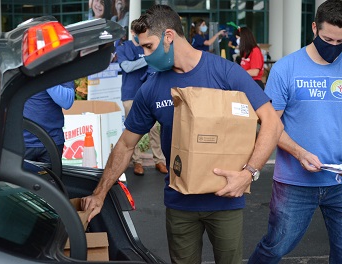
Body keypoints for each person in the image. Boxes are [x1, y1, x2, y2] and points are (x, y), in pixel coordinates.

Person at [82, 4, 283, 263]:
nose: (145, 55)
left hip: (226, 200)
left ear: (168, 36)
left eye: (148, 47)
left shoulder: (224, 73)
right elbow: (125, 146)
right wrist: (99, 194)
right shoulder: (151, 88)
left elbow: (272, 123)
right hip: (180, 204)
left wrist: (250, 173)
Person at [248, 1, 342, 263]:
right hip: (295, 183)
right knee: (275, 247)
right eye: (327, 39)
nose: (334, 46)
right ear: (314, 27)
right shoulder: (285, 69)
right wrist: (300, 153)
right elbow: (270, 125)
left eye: (340, 41)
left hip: (339, 181)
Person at [116, 19, 167, 176]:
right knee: (133, 129)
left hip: (149, 94)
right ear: (133, 33)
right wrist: (147, 58)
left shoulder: (150, 46)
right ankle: (137, 162)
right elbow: (126, 67)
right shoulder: (123, 48)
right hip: (130, 94)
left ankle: (159, 160)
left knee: (154, 129)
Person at [23, 81, 75, 163]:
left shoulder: (60, 69)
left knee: (51, 176)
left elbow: (66, 102)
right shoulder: (17, 68)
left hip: (51, 141)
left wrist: (46, 77)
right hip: (23, 141)